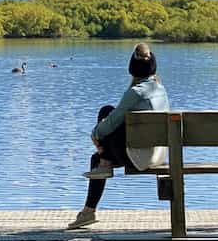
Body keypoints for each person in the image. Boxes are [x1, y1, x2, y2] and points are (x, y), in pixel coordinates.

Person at [67, 42, 169, 229]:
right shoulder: (160, 89)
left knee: (107, 116)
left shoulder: (135, 93)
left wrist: (95, 135)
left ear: (132, 68)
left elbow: (111, 123)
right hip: (158, 155)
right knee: (96, 156)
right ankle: (89, 209)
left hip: (141, 158)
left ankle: (103, 168)